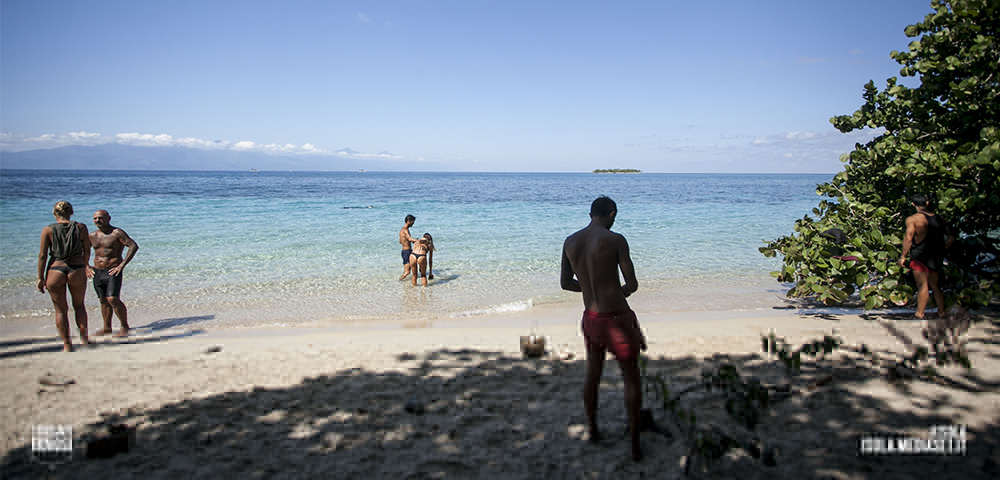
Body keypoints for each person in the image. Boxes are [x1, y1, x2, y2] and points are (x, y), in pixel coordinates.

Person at [561, 196, 646, 461]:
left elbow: (565, 283)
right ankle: (635, 444)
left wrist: (589, 288)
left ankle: (593, 430)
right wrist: (621, 291)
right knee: (631, 377)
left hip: (591, 317)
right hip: (617, 319)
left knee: (593, 374)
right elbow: (632, 284)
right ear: (612, 214)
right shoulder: (616, 240)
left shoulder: (570, 241)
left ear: (590, 215)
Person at [36, 201, 92, 352]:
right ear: (71, 212)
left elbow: (42, 256)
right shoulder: (80, 227)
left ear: (54, 213)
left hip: (55, 269)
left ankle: (67, 345)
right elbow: (87, 249)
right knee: (79, 305)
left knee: (60, 310)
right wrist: (86, 264)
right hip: (76, 269)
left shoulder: (48, 230)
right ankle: (84, 340)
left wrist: (40, 277)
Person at [899, 193, 954, 319]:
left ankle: (919, 313)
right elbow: (951, 238)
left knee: (922, 285)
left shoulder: (913, 219)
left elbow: (908, 239)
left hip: (919, 256)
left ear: (913, 204)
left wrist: (903, 256)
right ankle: (941, 312)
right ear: (927, 203)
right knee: (935, 286)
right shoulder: (939, 218)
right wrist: (942, 249)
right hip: (935, 257)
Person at [88, 210, 139, 337]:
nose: (98, 220)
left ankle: (124, 326)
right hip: (97, 271)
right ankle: (107, 328)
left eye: (100, 218)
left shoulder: (116, 233)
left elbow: (133, 246)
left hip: (112, 270)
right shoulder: (92, 235)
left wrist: (122, 265)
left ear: (108, 218)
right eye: (95, 218)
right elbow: (83, 250)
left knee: (113, 299)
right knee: (103, 300)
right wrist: (86, 266)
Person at [398, 214, 418, 281]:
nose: (413, 224)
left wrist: (408, 242)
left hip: (404, 252)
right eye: (412, 222)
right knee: (407, 272)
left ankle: (405, 284)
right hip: (407, 252)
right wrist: (419, 241)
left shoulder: (401, 230)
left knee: (407, 270)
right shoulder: (405, 230)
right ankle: (399, 281)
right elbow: (409, 238)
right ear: (409, 221)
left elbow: (400, 241)